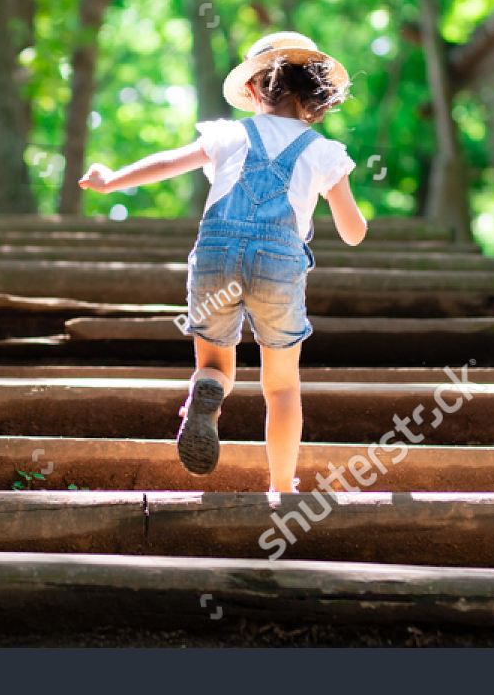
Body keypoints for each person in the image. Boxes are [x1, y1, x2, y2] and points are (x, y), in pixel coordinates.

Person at [79, 32, 367, 493]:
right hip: (279, 264)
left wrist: (111, 181)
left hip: (217, 254)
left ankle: (208, 391)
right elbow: (353, 233)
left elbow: (169, 161)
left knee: (215, 362)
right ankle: (281, 486)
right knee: (281, 386)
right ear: (316, 97)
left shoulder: (228, 134)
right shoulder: (324, 153)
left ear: (252, 92)